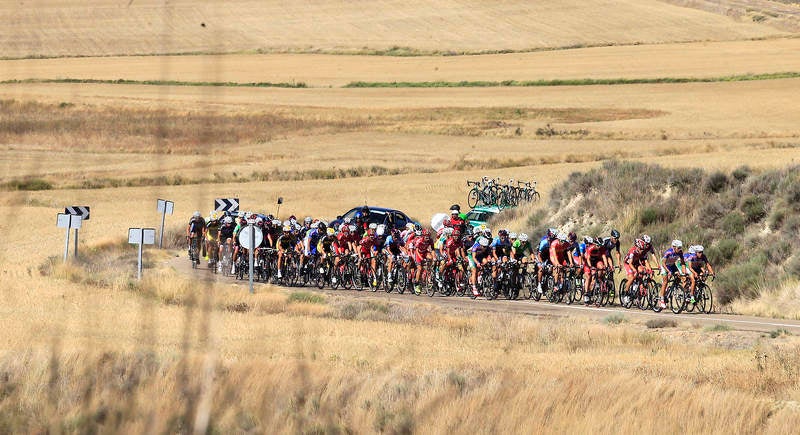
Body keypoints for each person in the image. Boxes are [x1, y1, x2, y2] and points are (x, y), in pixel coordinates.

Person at [658, 239, 687, 309]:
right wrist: (668, 271)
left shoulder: (680, 252)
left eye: (681, 248)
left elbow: (683, 262)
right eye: (678, 248)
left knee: (679, 276)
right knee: (665, 281)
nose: (680, 249)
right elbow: (663, 263)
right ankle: (661, 300)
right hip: (665, 266)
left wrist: (684, 271)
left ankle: (673, 287)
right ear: (674, 247)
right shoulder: (669, 252)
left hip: (672, 265)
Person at [583, 237, 610, 305]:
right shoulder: (590, 248)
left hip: (596, 261)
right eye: (598, 245)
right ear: (594, 244)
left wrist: (606, 266)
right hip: (588, 263)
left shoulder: (601, 248)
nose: (599, 247)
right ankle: (586, 293)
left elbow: (604, 257)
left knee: (601, 267)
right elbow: (588, 259)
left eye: (600, 245)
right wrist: (591, 267)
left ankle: (597, 282)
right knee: (589, 275)